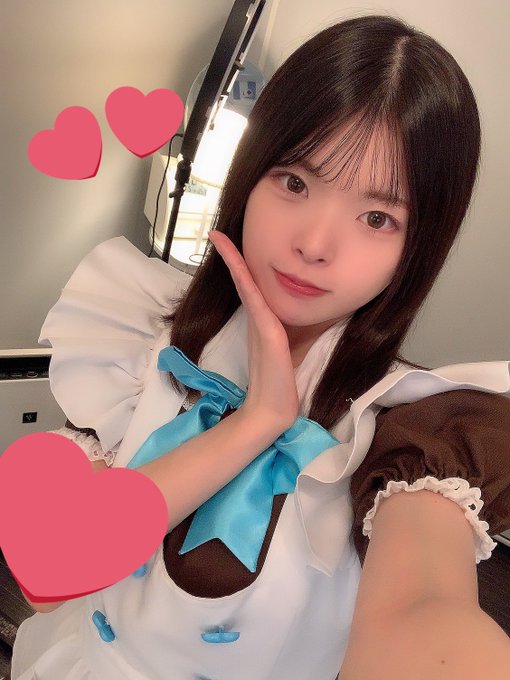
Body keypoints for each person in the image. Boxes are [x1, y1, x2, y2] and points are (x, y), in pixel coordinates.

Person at [10, 13, 510, 680]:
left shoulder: (414, 432)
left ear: (417, 247)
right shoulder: (139, 336)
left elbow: (426, 612)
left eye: (376, 217)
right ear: (249, 174)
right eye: (295, 182)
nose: (314, 244)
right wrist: (256, 422)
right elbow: (48, 583)